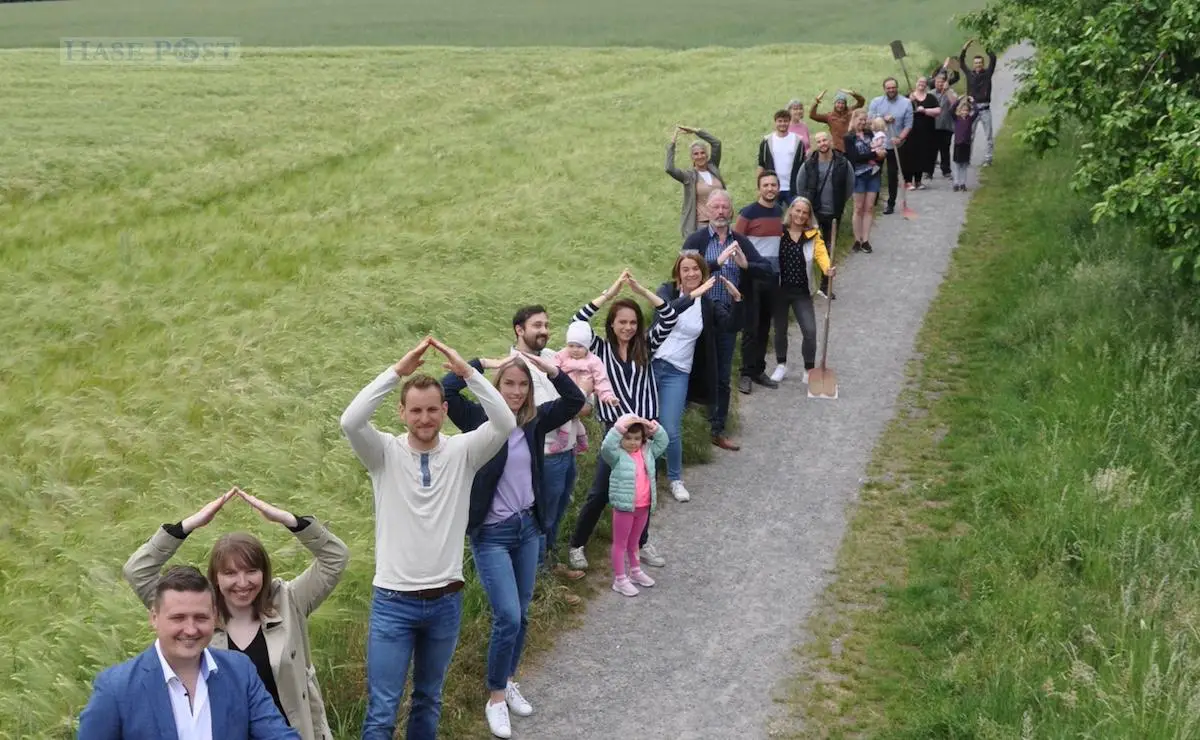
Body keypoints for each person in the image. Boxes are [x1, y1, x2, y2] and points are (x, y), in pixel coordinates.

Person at [340, 337, 517, 740]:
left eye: (432, 410)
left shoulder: (463, 453)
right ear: (401, 413)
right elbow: (351, 421)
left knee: (428, 700)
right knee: (382, 710)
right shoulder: (382, 454)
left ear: (445, 411)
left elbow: (505, 422)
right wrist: (396, 372)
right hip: (393, 603)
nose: (425, 418)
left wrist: (468, 373)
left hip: (445, 601)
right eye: (415, 410)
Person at [122, 487, 349, 740]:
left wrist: (289, 520)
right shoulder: (196, 618)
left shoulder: (289, 601)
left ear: (264, 572)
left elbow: (335, 557)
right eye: (230, 573)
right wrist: (187, 526)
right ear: (215, 579)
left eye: (251, 571)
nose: (242, 583)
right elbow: (137, 571)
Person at [441, 350, 584, 739]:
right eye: (509, 384)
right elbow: (445, 392)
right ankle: (496, 699)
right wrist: (480, 364)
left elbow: (575, 401)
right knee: (507, 615)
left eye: (522, 385)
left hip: (527, 530)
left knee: (521, 614)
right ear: (496, 386)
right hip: (491, 534)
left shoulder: (536, 422)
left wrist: (547, 368)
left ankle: (506, 679)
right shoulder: (477, 419)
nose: (516, 392)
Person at [78, 565, 300, 740]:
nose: (191, 629)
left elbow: (277, 734)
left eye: (201, 618)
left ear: (214, 616)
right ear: (154, 617)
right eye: (178, 618)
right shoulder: (115, 688)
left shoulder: (240, 671)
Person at [566, 269, 680, 571]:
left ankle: (642, 543)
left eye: (632, 322)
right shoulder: (599, 349)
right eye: (622, 322)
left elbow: (668, 316)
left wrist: (640, 290)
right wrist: (611, 293)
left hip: (645, 432)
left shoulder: (647, 345)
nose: (628, 328)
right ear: (612, 324)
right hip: (615, 431)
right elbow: (577, 323)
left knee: (643, 489)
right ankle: (577, 545)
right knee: (601, 490)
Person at [500, 305, 586, 586]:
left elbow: (575, 398)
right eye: (537, 325)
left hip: (566, 447)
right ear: (519, 329)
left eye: (547, 325)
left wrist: (576, 401)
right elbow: (542, 411)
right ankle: (540, 583)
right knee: (541, 519)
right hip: (546, 454)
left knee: (555, 514)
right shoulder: (515, 368)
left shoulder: (550, 357)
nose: (544, 331)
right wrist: (577, 401)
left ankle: (549, 562)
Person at [681, 190, 772, 447]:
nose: (720, 212)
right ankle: (685, 426)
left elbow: (766, 270)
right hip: (697, 315)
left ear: (730, 211)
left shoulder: (740, 241)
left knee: (722, 374)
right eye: (716, 207)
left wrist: (745, 266)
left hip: (728, 318)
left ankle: (717, 429)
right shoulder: (696, 239)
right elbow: (683, 273)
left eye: (725, 207)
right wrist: (716, 262)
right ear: (707, 211)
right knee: (689, 367)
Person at [653, 254, 734, 502]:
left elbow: (730, 325)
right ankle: (648, 478)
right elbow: (665, 313)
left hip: (677, 372)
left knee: (670, 428)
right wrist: (693, 295)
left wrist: (738, 301)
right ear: (678, 274)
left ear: (702, 273)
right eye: (685, 270)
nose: (690, 274)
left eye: (695, 270)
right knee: (646, 423)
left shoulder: (707, 304)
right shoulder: (666, 291)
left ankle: (676, 479)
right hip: (651, 364)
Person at [600, 414, 670, 597]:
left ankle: (635, 571)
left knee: (634, 542)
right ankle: (620, 579)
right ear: (621, 437)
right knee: (620, 543)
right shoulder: (616, 456)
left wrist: (653, 427)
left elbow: (663, 442)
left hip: (643, 506)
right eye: (628, 438)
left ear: (643, 438)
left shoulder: (648, 452)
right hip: (624, 508)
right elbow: (606, 446)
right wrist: (619, 428)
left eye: (637, 438)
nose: (633, 442)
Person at [770, 197, 835, 384]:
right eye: (797, 211)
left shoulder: (813, 235)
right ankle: (781, 365)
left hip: (801, 292)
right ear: (791, 211)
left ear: (808, 216)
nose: (800, 215)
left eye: (804, 212)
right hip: (780, 290)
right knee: (779, 330)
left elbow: (821, 255)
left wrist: (827, 268)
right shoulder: (778, 232)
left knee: (810, 331)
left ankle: (808, 369)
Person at [734, 172, 784, 393]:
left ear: (778, 187)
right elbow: (735, 242)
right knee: (751, 327)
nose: (770, 188)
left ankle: (758, 370)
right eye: (766, 185)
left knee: (765, 326)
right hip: (752, 278)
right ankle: (745, 373)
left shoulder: (781, 212)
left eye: (773, 185)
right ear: (759, 188)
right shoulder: (748, 213)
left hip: (773, 277)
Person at [793, 131, 855, 301]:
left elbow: (850, 185)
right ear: (815, 144)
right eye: (819, 141)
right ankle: (803, 285)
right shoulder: (809, 164)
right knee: (807, 249)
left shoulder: (843, 163)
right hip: (813, 213)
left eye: (825, 140)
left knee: (829, 248)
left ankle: (825, 285)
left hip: (834, 212)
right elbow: (800, 185)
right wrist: (805, 208)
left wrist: (840, 202)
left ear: (830, 141)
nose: (822, 143)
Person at [552, 321, 618, 455]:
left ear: (587, 347)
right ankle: (582, 441)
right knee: (574, 418)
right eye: (571, 345)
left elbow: (601, 380)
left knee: (567, 414)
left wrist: (608, 396)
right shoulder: (562, 355)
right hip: (566, 393)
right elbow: (553, 367)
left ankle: (563, 438)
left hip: (585, 398)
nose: (575, 350)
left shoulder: (594, 361)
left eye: (580, 346)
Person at [665, 125, 725, 238]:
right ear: (692, 157)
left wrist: (695, 131)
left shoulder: (713, 168)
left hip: (721, 223)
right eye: (696, 154)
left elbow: (717, 143)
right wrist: (672, 143)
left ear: (707, 155)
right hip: (702, 226)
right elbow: (669, 168)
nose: (700, 156)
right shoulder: (688, 176)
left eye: (702, 153)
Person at [866, 77, 913, 215]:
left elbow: (908, 125)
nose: (891, 90)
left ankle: (891, 203)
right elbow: (869, 121)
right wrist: (882, 117)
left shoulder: (906, 103)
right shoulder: (876, 102)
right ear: (884, 89)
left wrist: (900, 138)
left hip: (895, 145)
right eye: (888, 88)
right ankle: (873, 202)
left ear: (897, 88)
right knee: (875, 172)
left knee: (893, 175)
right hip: (878, 145)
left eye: (893, 87)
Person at [845, 109, 887, 254]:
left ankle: (866, 240)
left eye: (865, 120)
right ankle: (857, 239)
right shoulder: (849, 138)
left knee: (869, 208)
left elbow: (879, 151)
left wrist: (880, 156)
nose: (862, 122)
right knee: (858, 207)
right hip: (858, 175)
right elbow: (854, 158)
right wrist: (875, 154)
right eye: (860, 120)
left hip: (873, 174)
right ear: (854, 120)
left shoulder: (870, 134)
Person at [959, 39, 998, 166]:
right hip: (973, 109)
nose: (978, 65)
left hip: (985, 109)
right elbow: (961, 63)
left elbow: (993, 58)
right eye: (976, 63)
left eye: (980, 62)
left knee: (988, 136)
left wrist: (986, 45)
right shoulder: (969, 74)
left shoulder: (987, 73)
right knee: (969, 135)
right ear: (973, 64)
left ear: (983, 63)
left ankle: (988, 159)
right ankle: (967, 158)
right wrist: (965, 48)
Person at [756, 110, 804, 205]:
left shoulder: (798, 141)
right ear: (775, 122)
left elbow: (803, 165)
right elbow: (761, 165)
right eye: (780, 121)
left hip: (793, 189)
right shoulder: (767, 141)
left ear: (789, 122)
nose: (783, 124)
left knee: (795, 216)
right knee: (772, 217)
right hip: (772, 188)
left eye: (785, 121)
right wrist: (758, 188)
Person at [902, 76, 941, 190]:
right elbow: (900, 110)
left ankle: (918, 181)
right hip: (910, 131)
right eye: (920, 82)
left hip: (926, 132)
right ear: (916, 83)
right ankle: (908, 181)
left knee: (921, 155)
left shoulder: (930, 98)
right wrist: (909, 101)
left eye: (924, 82)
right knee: (909, 156)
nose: (922, 84)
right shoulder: (908, 97)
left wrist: (925, 110)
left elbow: (938, 111)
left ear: (927, 85)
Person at [930, 71, 959, 180]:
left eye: (942, 82)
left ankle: (946, 170)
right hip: (933, 126)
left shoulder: (950, 92)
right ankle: (928, 171)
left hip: (946, 125)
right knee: (931, 149)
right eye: (938, 82)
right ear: (935, 82)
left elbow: (955, 103)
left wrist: (947, 91)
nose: (940, 84)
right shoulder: (931, 94)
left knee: (945, 149)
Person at [952, 97, 982, 191]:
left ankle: (963, 183)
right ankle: (956, 182)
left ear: (969, 111)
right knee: (957, 165)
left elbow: (977, 112)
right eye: (962, 110)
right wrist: (958, 101)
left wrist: (973, 102)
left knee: (964, 165)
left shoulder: (970, 119)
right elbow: (950, 110)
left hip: (966, 144)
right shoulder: (956, 119)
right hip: (958, 144)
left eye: (966, 110)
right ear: (959, 111)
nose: (964, 112)